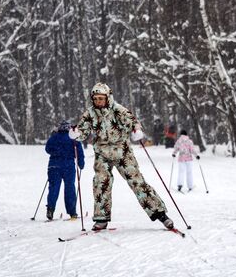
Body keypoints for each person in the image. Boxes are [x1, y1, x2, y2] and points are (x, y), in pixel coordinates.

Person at [69, 83, 175, 231]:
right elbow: (83, 130)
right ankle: (101, 218)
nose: (98, 101)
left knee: (137, 182)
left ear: (108, 98)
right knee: (101, 182)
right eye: (96, 98)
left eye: (101, 98)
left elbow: (133, 122)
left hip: (122, 152)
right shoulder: (90, 113)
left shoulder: (118, 110)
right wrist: (77, 134)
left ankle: (161, 214)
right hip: (102, 153)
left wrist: (136, 131)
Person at [45, 121, 84, 220]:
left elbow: (47, 149)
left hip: (54, 166)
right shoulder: (73, 137)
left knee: (53, 188)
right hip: (68, 166)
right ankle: (72, 212)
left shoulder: (54, 137)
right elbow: (79, 151)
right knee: (70, 188)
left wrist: (57, 152)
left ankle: (50, 209)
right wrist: (81, 164)